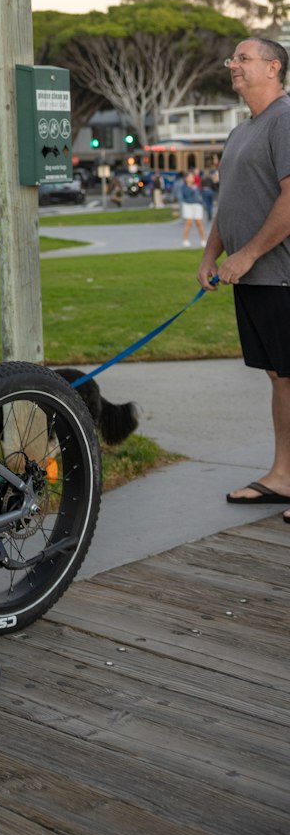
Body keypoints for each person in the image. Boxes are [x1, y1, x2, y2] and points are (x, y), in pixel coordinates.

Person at [197, 38, 290, 520]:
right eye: (232, 58)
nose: (232, 64)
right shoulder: (242, 131)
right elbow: (229, 201)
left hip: (281, 275)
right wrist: (213, 254)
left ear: (274, 67)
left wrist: (249, 254)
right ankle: (282, 476)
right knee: (280, 378)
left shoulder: (285, 118)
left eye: (243, 58)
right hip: (256, 278)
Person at [177, 170, 206, 247]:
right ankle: (185, 240)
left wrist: (201, 202)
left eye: (192, 177)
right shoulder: (184, 187)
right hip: (188, 205)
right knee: (188, 223)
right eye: (190, 177)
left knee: (199, 223)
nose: (191, 178)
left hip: (197, 205)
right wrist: (192, 189)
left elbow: (199, 195)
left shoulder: (196, 186)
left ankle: (203, 240)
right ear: (186, 178)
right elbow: (186, 195)